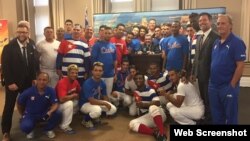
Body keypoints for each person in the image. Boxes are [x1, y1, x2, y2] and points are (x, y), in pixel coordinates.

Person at [1, 23, 39, 141]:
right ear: (16, 33)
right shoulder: (8, 47)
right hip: (13, 83)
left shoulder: (31, 45)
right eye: (20, 32)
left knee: (28, 104)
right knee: (9, 107)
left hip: (28, 82)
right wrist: (10, 82)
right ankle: (6, 132)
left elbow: (33, 63)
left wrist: (34, 78)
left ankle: (28, 125)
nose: (22, 34)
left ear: (28, 33)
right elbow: (5, 67)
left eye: (24, 32)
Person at [208, 14, 246, 124]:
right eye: (218, 23)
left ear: (230, 25)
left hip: (227, 86)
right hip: (213, 87)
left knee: (230, 117)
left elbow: (240, 66)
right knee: (216, 116)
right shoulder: (216, 42)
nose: (219, 26)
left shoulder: (237, 42)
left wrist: (232, 85)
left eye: (223, 23)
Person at [191, 12, 219, 124]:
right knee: (203, 98)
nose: (202, 22)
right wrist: (193, 73)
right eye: (200, 21)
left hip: (210, 76)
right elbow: (196, 58)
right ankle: (207, 117)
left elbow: (216, 59)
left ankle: (211, 120)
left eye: (204, 20)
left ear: (210, 21)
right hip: (200, 75)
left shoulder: (216, 37)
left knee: (211, 99)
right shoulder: (199, 37)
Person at [17, 72, 61, 139]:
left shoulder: (51, 90)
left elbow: (55, 104)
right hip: (30, 115)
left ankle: (48, 129)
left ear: (48, 81)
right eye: (39, 79)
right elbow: (19, 103)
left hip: (44, 114)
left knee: (58, 113)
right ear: (36, 80)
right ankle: (30, 129)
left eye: (44, 80)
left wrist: (50, 112)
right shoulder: (28, 91)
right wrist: (22, 114)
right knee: (25, 127)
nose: (41, 82)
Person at [129, 73, 167, 141]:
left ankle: (162, 132)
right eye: (136, 79)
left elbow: (157, 103)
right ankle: (155, 133)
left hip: (159, 114)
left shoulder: (150, 90)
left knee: (152, 107)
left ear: (144, 80)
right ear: (134, 81)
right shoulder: (136, 92)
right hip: (150, 117)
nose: (138, 80)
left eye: (140, 78)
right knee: (132, 124)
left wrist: (144, 105)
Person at [79, 62, 117, 128]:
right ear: (92, 72)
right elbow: (91, 101)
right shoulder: (87, 83)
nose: (98, 72)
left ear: (102, 72)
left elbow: (105, 97)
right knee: (97, 110)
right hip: (84, 104)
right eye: (96, 70)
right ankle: (85, 120)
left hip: (95, 102)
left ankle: (95, 117)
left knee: (113, 109)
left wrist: (108, 103)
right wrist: (105, 104)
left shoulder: (102, 83)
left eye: (100, 71)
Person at [91, 26, 117, 103]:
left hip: (110, 74)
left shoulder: (113, 46)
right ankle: (99, 111)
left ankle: (107, 111)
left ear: (111, 34)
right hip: (99, 74)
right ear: (103, 33)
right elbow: (93, 60)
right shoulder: (97, 45)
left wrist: (115, 73)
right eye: (106, 33)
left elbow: (115, 60)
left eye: (109, 33)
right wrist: (94, 73)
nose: (107, 35)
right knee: (98, 94)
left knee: (108, 94)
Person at [55, 64, 80, 134]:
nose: (74, 74)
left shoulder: (75, 82)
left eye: (76, 73)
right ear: (68, 73)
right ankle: (64, 126)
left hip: (65, 102)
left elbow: (79, 93)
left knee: (79, 102)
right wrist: (73, 95)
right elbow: (61, 99)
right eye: (72, 73)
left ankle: (63, 119)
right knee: (70, 103)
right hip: (57, 105)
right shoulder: (62, 82)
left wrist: (77, 96)